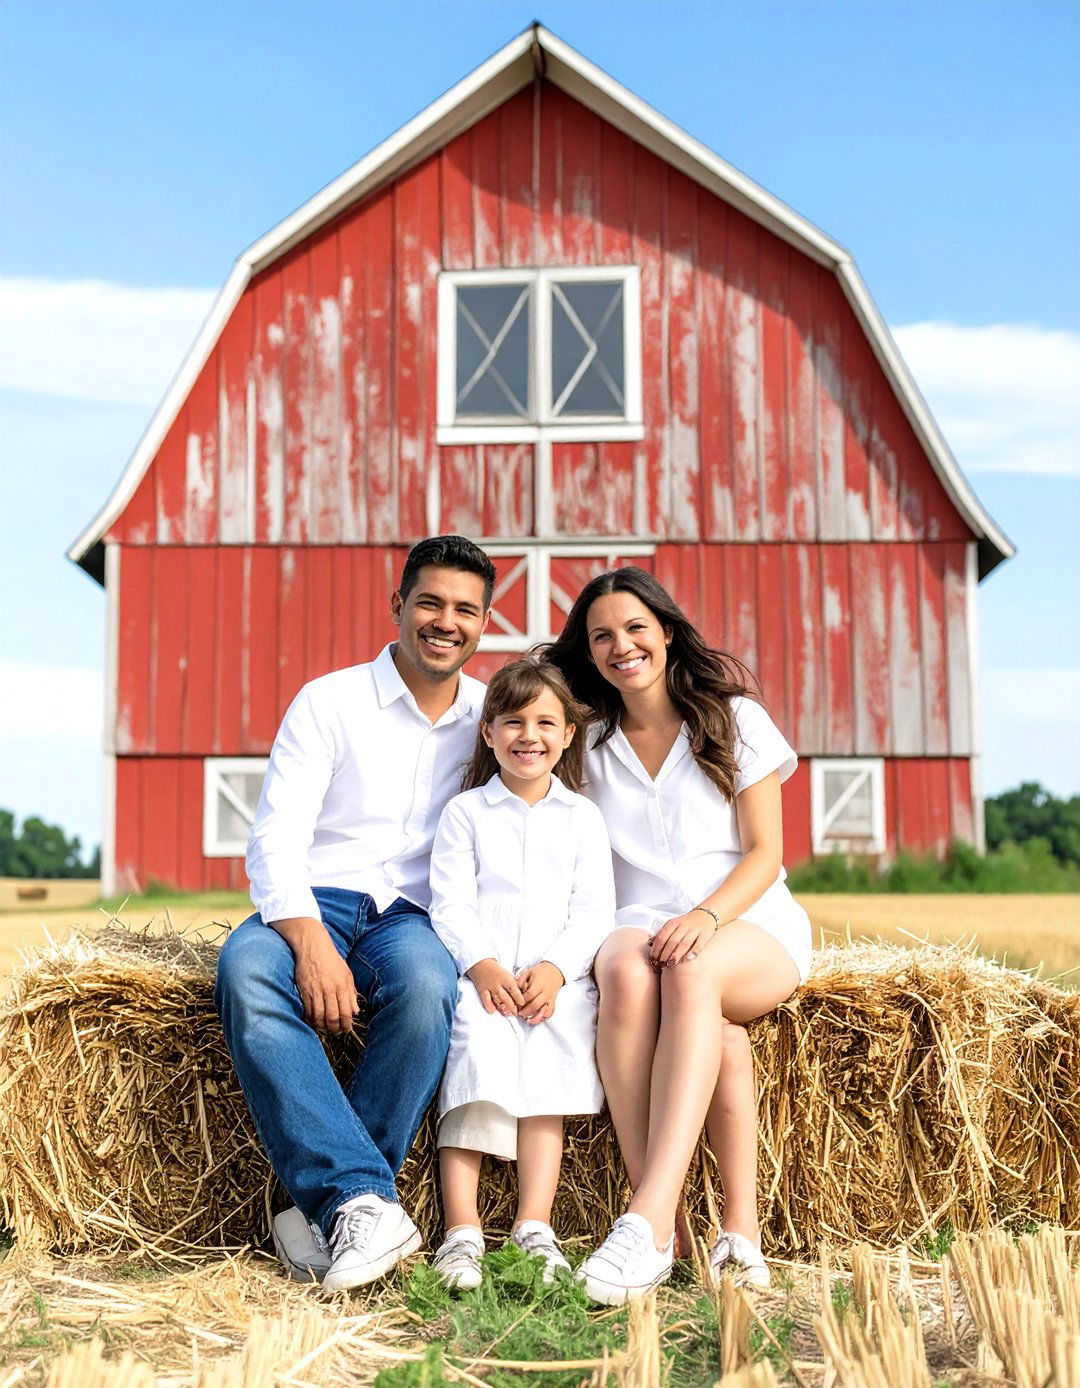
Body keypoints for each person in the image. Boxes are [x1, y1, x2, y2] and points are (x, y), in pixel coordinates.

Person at [214, 535, 496, 1292]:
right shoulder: (330, 700)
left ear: (484, 622)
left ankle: (334, 1215)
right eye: (430, 602)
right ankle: (364, 1201)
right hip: (319, 898)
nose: (446, 621)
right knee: (246, 971)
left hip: (413, 915)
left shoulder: (491, 717)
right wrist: (308, 943)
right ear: (397, 605)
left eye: (465, 609)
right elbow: (275, 836)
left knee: (429, 990)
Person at [542, 567, 812, 1305]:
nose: (620, 645)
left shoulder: (734, 720)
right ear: (588, 653)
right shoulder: (586, 741)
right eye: (601, 636)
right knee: (627, 971)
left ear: (665, 630)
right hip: (639, 925)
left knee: (693, 974)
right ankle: (715, 1236)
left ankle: (648, 1217)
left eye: (635, 628)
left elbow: (765, 854)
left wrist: (706, 917)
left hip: (745, 921)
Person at [425, 659, 616, 1291]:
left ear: (567, 736)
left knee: (547, 1081)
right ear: (488, 733)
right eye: (512, 722)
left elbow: (594, 910)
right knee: (473, 1066)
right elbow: (450, 902)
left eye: (544, 722)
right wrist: (479, 965)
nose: (528, 735)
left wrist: (560, 971)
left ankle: (534, 1225)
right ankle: (462, 1231)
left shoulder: (582, 818)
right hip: (484, 979)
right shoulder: (467, 814)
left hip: (554, 984)